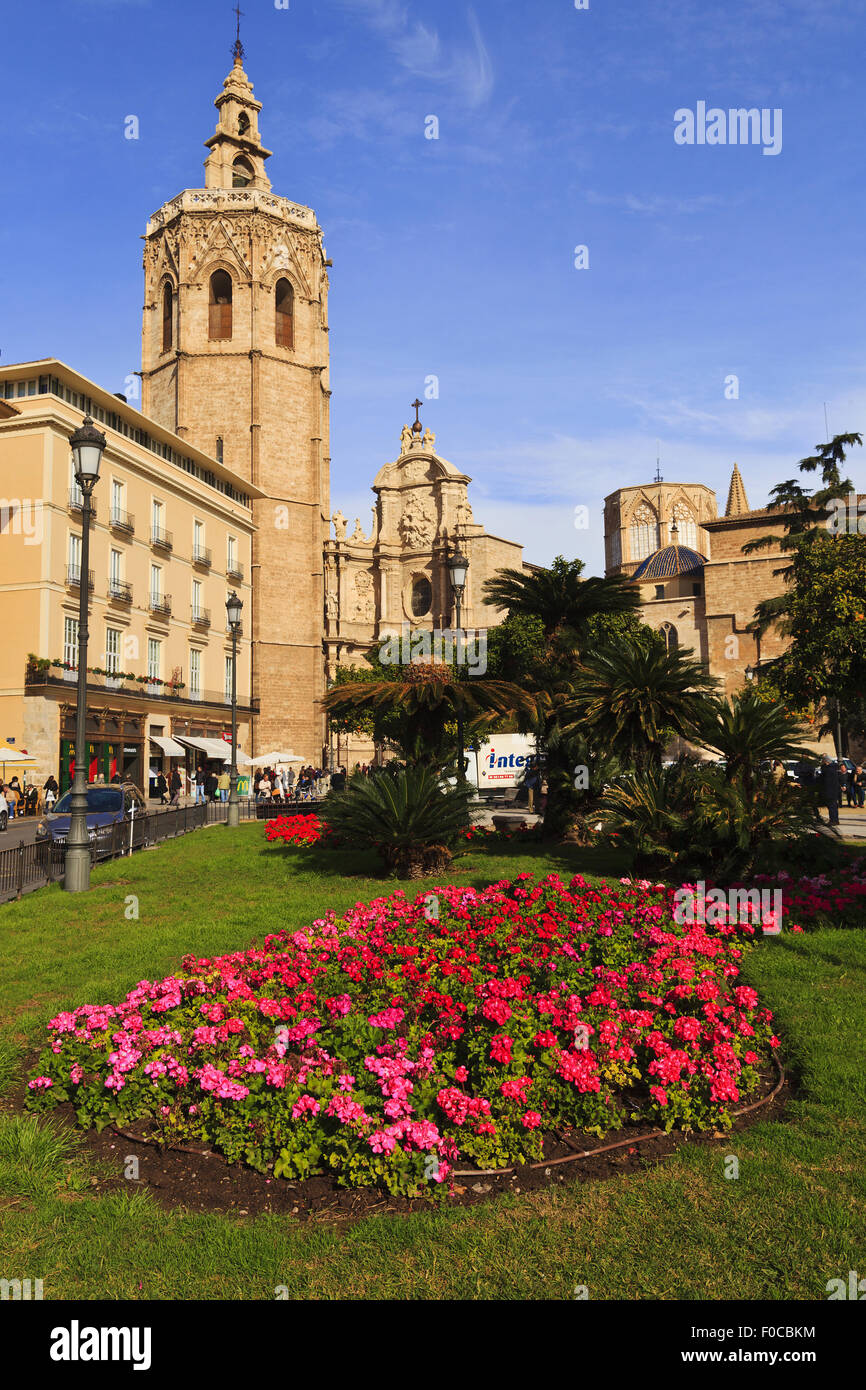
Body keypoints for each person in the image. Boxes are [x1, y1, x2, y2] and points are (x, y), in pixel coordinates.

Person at [818, 755, 840, 826]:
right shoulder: (833, 768)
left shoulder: (828, 770)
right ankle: (835, 820)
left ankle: (833, 820)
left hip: (829, 791)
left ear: (826, 762)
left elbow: (825, 781)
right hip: (834, 791)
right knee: (833, 806)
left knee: (831, 806)